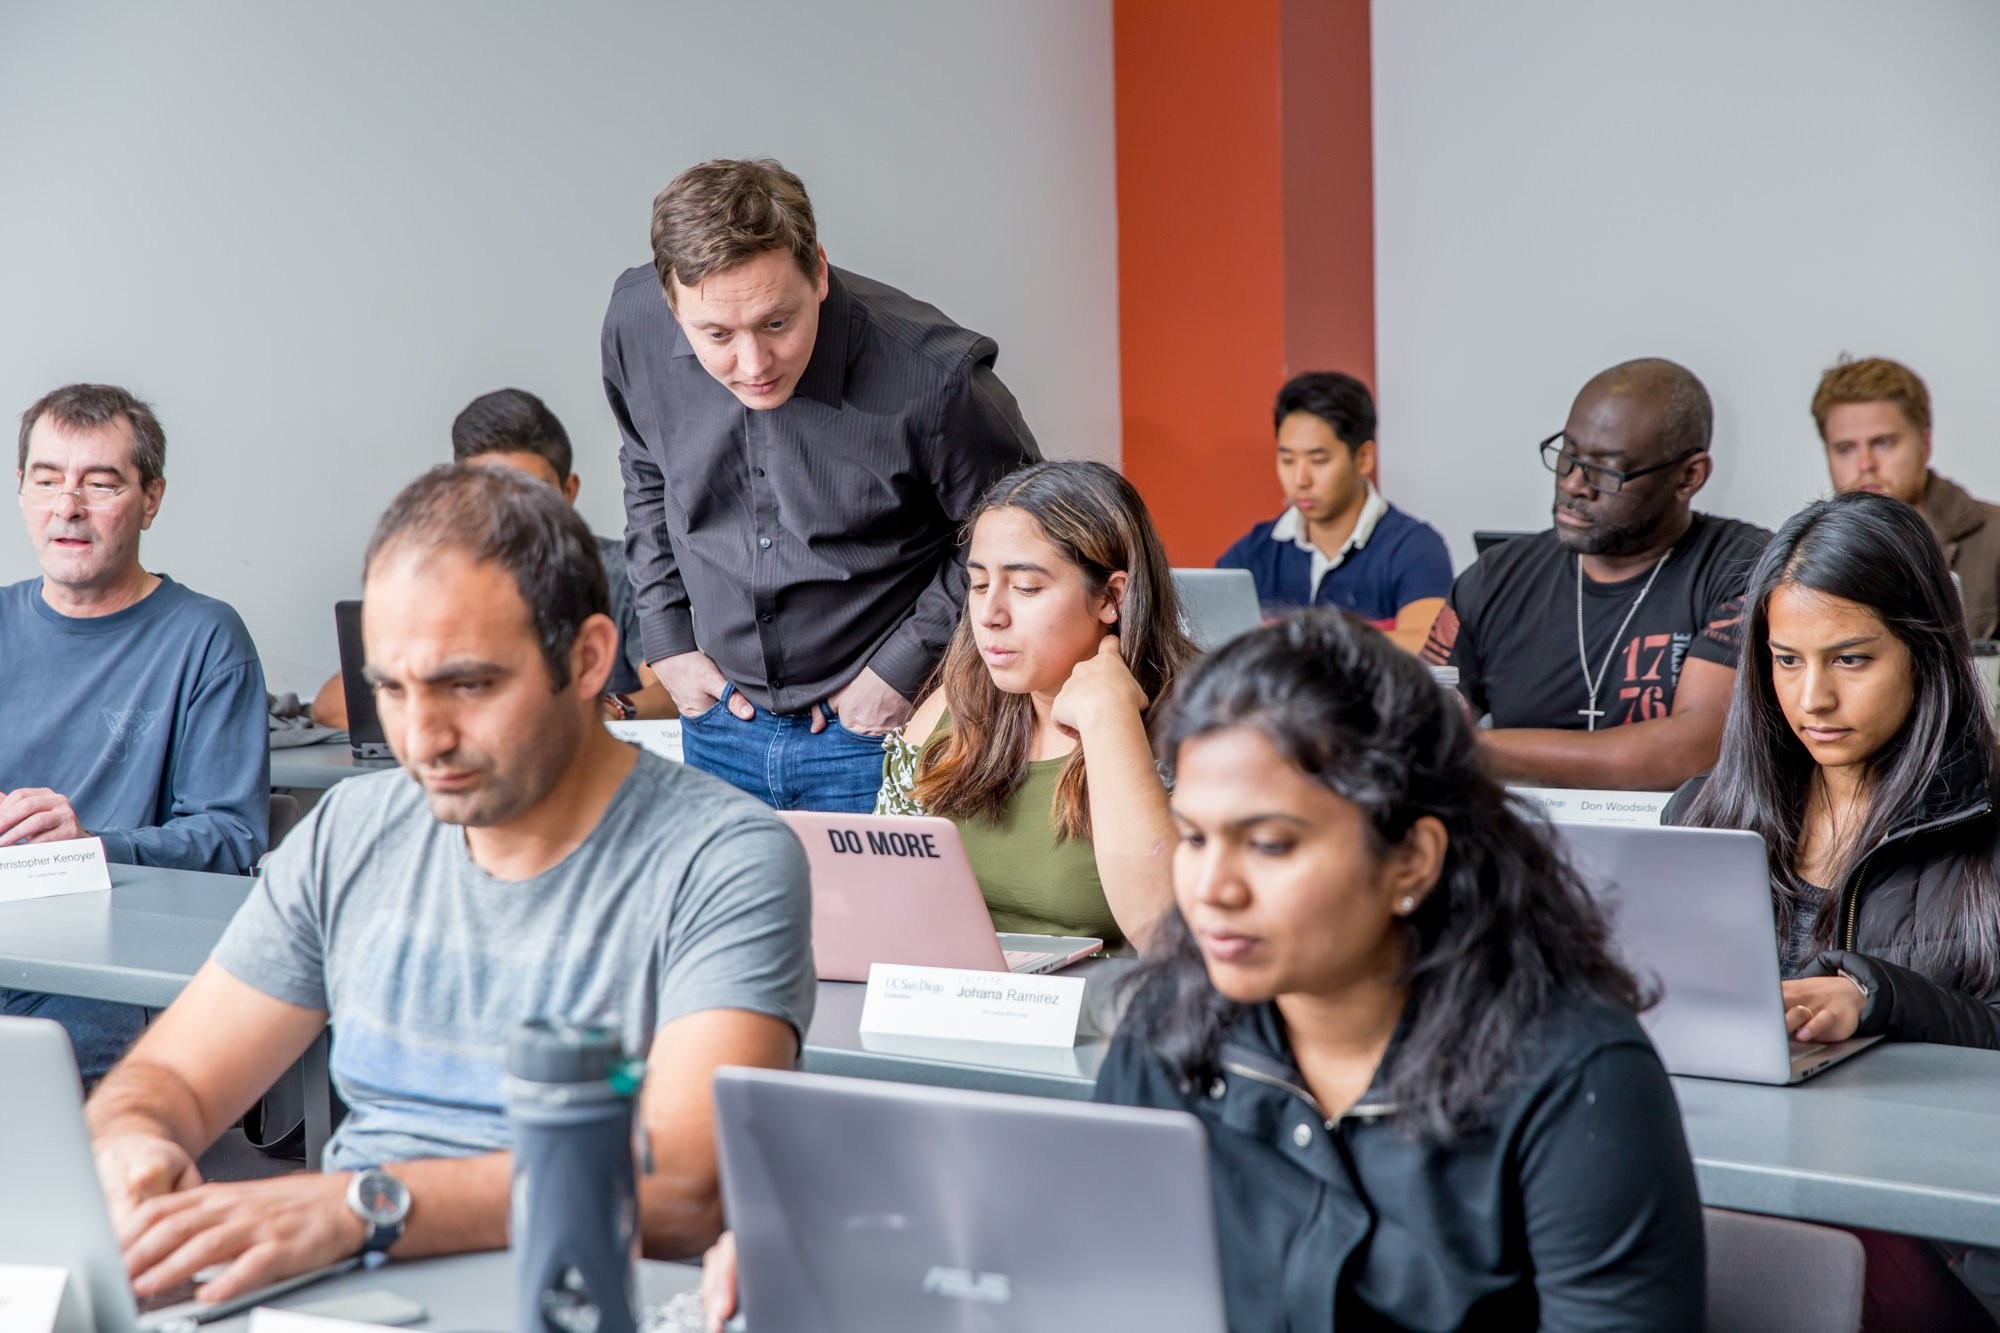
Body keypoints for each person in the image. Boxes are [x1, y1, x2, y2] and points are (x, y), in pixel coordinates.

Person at [699, 611, 1706, 1331]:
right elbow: (1072, 1266)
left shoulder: (1574, 1078)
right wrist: (849, 1251)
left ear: (1411, 859)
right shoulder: (1174, 1027)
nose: (1210, 888)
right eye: (1191, 837)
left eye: (1268, 844)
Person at [86, 466, 814, 1304]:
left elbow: (681, 1181)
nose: (422, 738)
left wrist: (367, 1206)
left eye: (467, 685)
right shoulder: (351, 830)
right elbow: (171, 1080)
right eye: (391, 689)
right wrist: (129, 1140)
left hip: (579, 1297)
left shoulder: (723, 857)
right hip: (344, 1296)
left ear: (588, 659)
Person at [605, 157, 1040, 812]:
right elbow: (644, 463)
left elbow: (1017, 539)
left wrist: (899, 670)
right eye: (717, 335)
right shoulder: (632, 324)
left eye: (777, 323)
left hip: (884, 726)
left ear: (819, 272)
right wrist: (666, 637)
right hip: (716, 717)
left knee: (880, 920)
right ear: (672, 304)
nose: (752, 364)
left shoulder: (934, 377)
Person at [1664, 489, 2000, 1330]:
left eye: (1850, 660)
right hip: (1725, 1179)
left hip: (1925, 1226)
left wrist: (1878, 996)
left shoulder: (1988, 825)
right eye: (1785, 660)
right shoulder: (1702, 816)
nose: (1811, 697)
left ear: (1923, 652)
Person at [2, 384, 268, 1080]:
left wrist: (92, 843)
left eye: (101, 482)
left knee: (55, 1083)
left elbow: (234, 836)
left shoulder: (206, 637)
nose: (68, 506)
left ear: (151, 498)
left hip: (112, 973)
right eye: (47, 478)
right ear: (21, 490)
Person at [875, 460, 1194, 951]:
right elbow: (881, 894)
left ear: (1111, 597)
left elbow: (1170, 935)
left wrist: (1109, 718)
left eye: (1025, 588)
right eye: (979, 584)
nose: (989, 615)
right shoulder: (955, 707)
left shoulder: (1199, 724)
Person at [1421, 357, 1770, 790]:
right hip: (1522, 847)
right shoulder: (1493, 578)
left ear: (1689, 476)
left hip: (1677, 848)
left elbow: (1693, 749)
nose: (1573, 484)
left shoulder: (1747, 567)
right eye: (1568, 455)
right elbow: (1419, 724)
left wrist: (1471, 749)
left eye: (1605, 470)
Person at [309, 387, 672, 727]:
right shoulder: (438, 580)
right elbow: (331, 706)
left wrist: (605, 711)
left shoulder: (628, 574)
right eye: (489, 493)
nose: (510, 515)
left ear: (568, 491)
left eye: (531, 494)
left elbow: (673, 693)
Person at [1217, 371, 1452, 650]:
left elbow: (1424, 646)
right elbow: (1205, 635)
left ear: (1363, 457)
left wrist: (1289, 636)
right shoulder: (1254, 553)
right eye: (1287, 459)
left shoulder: (1414, 548)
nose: (1300, 480)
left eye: (1319, 460)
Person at [1814, 354, 2000, 640]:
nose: (1865, 463)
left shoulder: (1994, 537)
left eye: (1883, 443)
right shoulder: (1804, 552)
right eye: (1846, 448)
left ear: (1924, 444)